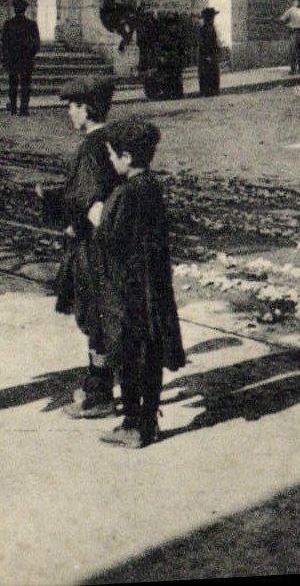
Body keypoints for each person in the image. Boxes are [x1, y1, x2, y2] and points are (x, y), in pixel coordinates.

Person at [92, 116, 186, 450]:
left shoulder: (128, 193)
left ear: (127, 157)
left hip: (128, 292)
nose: (109, 160)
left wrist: (97, 220)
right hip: (151, 288)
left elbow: (113, 242)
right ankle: (146, 422)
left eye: (112, 154)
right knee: (149, 354)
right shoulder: (150, 187)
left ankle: (134, 424)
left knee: (129, 356)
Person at [38, 77, 119, 420]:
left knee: (93, 316)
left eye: (71, 106)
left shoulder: (90, 146)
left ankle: (100, 391)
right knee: (98, 315)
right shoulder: (109, 140)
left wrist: (66, 212)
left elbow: (92, 201)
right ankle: (99, 385)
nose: (69, 113)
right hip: (105, 246)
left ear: (85, 108)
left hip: (92, 248)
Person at [0, 0, 40, 116]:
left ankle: (13, 108)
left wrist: (4, 56)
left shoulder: (8, 24)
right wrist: (31, 54)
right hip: (26, 59)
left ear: (14, 9)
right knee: (26, 84)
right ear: (25, 10)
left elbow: (4, 43)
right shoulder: (31, 24)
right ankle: (24, 109)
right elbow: (36, 43)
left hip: (13, 59)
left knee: (13, 83)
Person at [280, 0, 300, 75]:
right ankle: (293, 69)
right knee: (293, 51)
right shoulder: (291, 10)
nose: (297, 3)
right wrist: (288, 25)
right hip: (294, 32)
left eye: (298, 1)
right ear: (293, 2)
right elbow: (282, 19)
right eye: (295, 1)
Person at [196, 8, 221, 98]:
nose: (213, 19)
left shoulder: (212, 28)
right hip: (205, 56)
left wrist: (217, 49)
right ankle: (206, 91)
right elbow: (202, 44)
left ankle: (213, 91)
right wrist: (207, 55)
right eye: (211, 18)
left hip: (212, 55)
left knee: (213, 74)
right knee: (206, 74)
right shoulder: (203, 30)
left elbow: (214, 42)